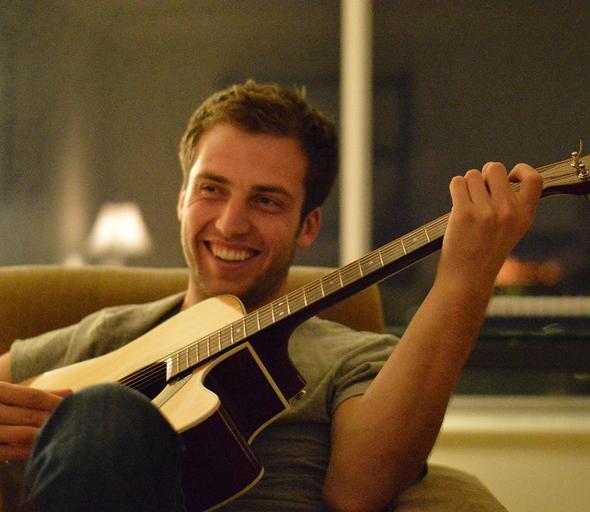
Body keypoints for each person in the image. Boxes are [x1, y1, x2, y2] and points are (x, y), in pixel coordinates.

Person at [0, 80, 542, 511]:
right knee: (101, 411)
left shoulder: (355, 358)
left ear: (308, 227)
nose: (230, 224)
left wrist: (465, 279)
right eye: (212, 190)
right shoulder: (107, 336)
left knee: (106, 412)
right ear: (183, 200)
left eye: (266, 201)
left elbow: (360, 490)